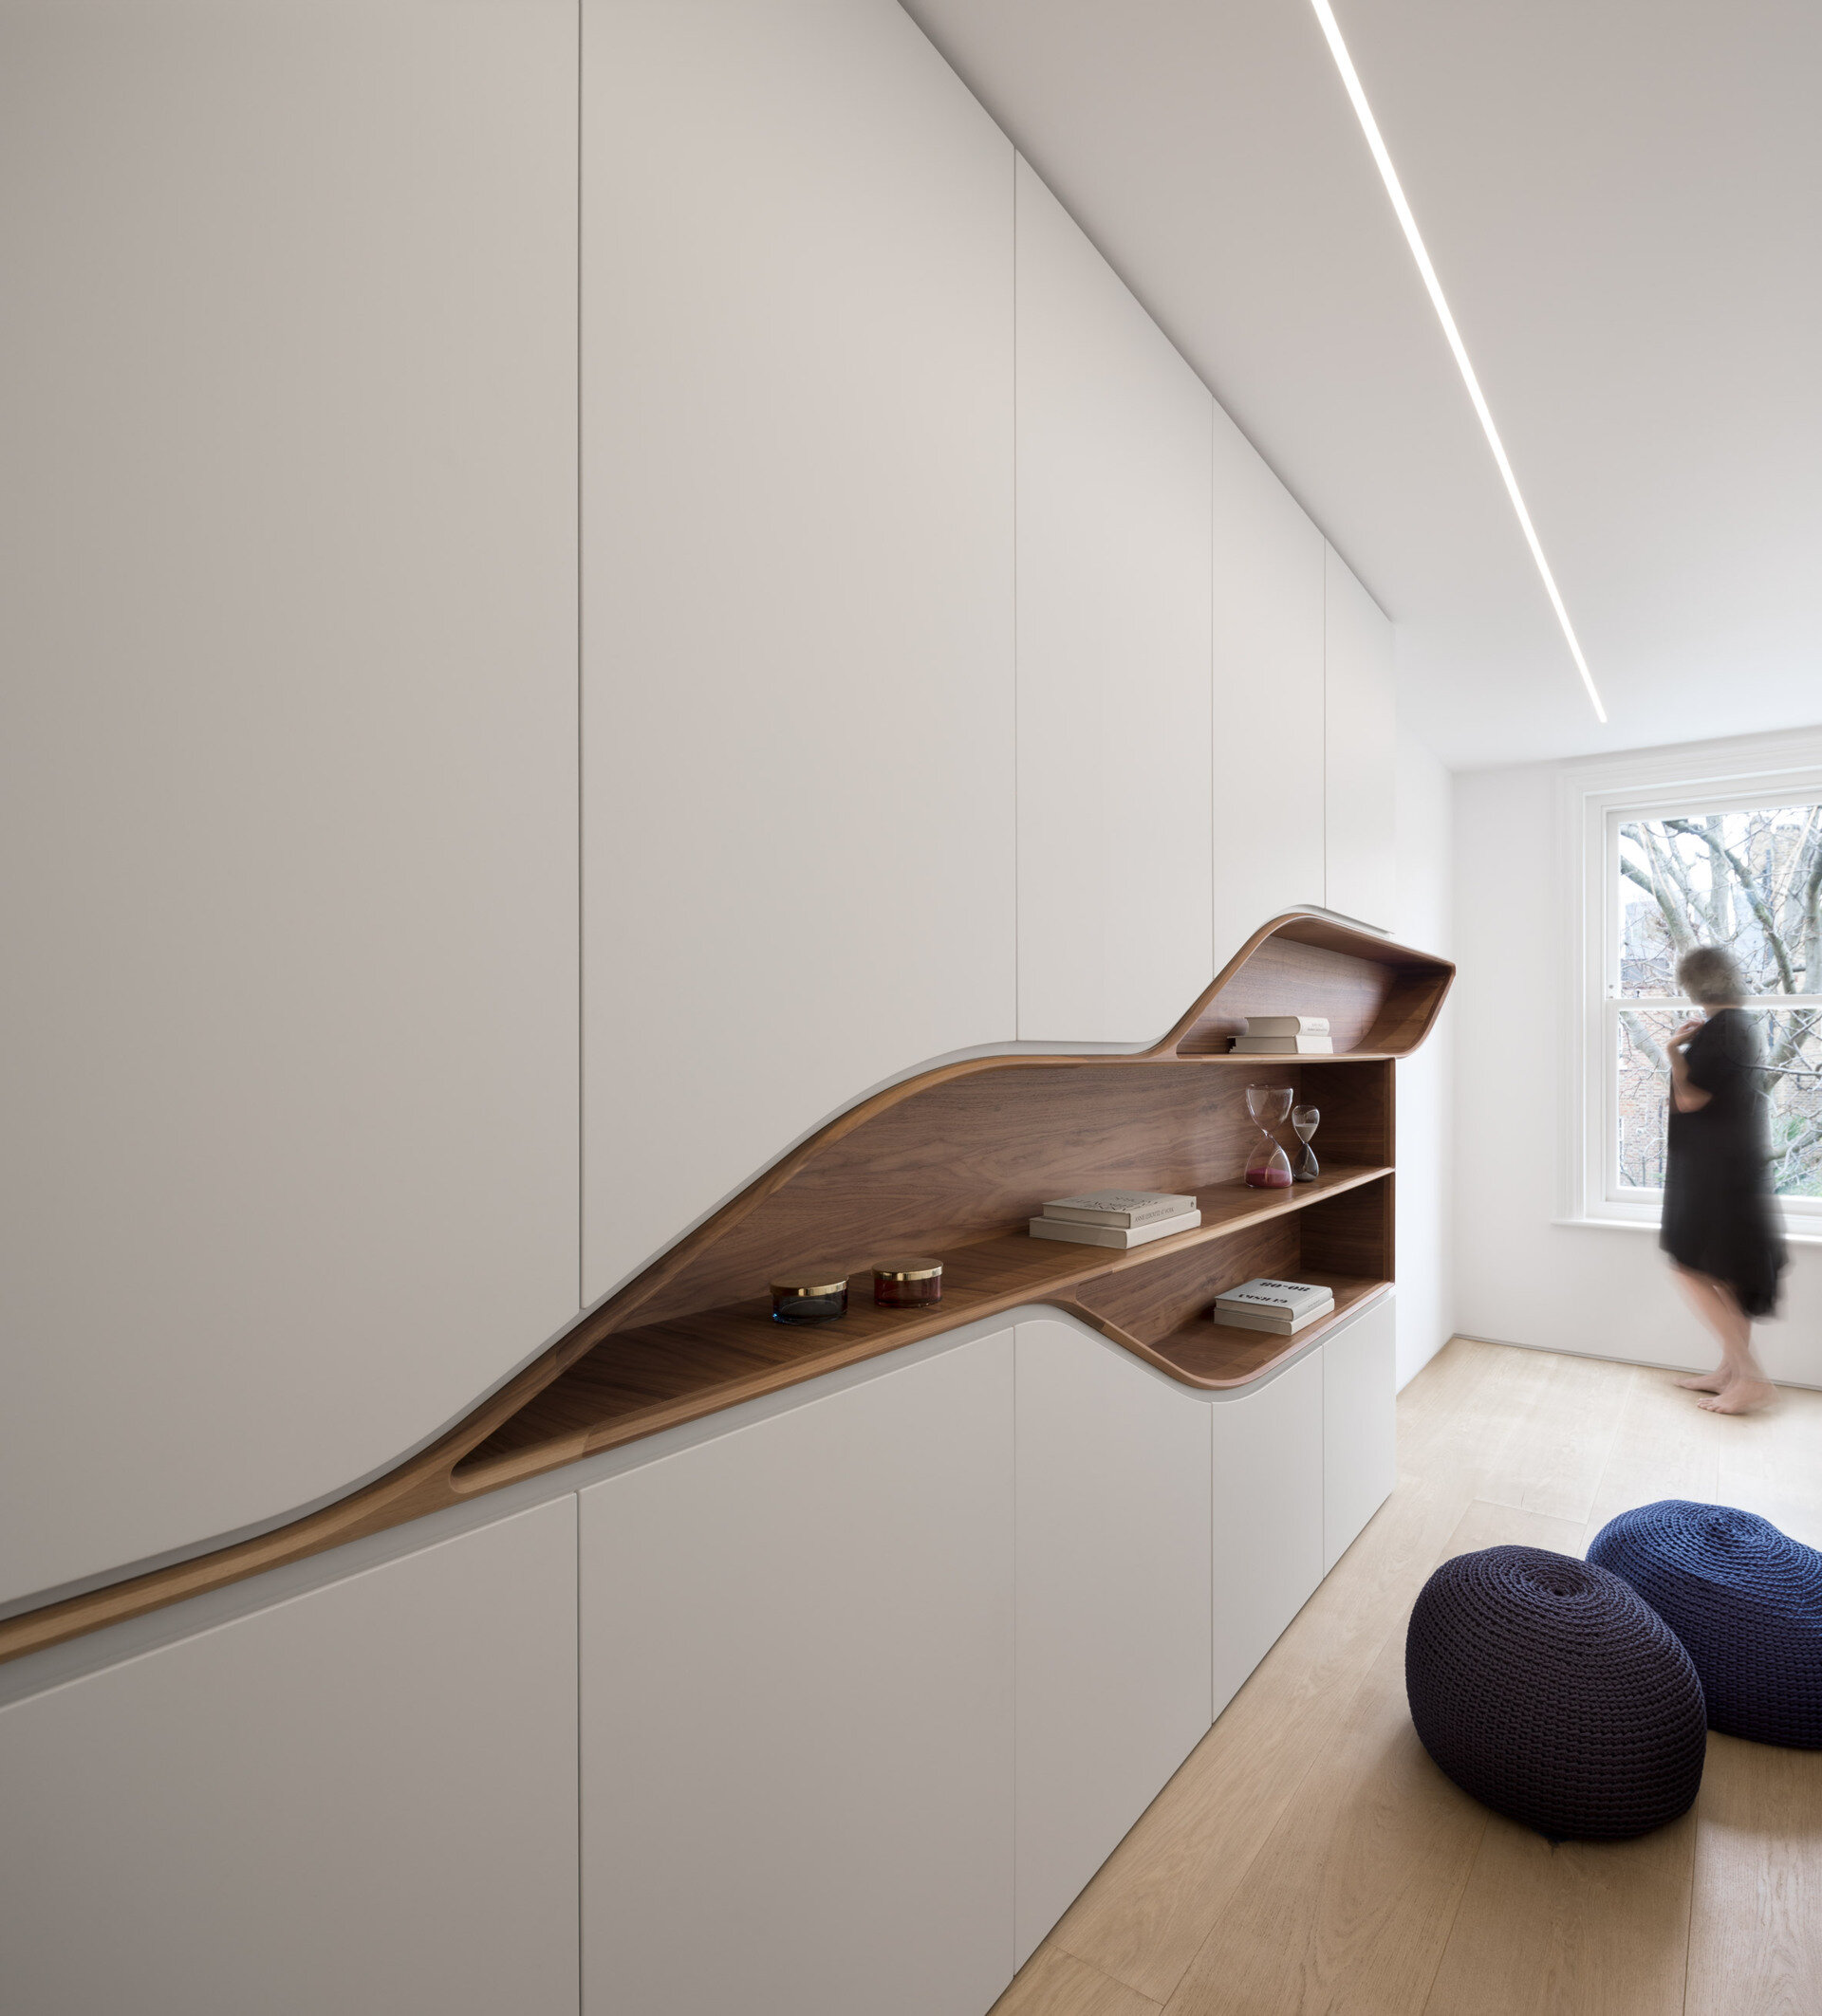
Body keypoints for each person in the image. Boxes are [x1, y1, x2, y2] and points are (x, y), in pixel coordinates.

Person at [1661, 945, 1786, 1414]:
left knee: (1689, 1266)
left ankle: (1751, 1377)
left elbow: (1690, 1099)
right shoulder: (1739, 1026)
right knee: (1727, 1276)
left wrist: (1673, 1053)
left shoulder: (1723, 1031)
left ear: (1694, 985)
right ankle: (1730, 1372)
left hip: (1714, 1176)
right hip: (1730, 1171)